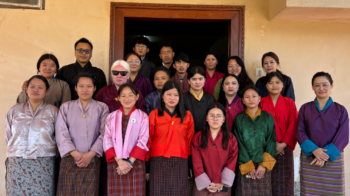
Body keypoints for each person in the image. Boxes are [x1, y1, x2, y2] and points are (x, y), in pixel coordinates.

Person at [55, 72, 109, 196]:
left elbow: (104, 133)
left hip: (92, 158)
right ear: (75, 88)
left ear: (95, 88)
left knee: (89, 191)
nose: (85, 89)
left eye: (89, 86)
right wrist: (74, 152)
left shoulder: (102, 107)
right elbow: (61, 131)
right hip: (70, 157)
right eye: (81, 86)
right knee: (67, 191)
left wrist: (91, 154)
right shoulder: (66, 107)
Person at [296, 72, 348, 196]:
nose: (321, 88)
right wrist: (314, 150)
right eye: (317, 85)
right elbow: (299, 131)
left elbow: (344, 135)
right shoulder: (305, 108)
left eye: (325, 85)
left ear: (331, 85)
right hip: (310, 157)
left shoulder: (340, 110)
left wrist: (325, 155)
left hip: (333, 159)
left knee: (334, 192)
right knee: (310, 192)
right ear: (312, 87)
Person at [5, 75, 58, 196]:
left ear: (47, 91)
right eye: (32, 87)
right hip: (17, 162)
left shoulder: (53, 111)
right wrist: (17, 148)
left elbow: (59, 136)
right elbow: (7, 135)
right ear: (26, 89)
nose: (35, 90)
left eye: (40, 87)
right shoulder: (15, 110)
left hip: (44, 163)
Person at [146, 81, 195, 196]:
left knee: (178, 192)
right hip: (158, 160)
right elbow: (148, 140)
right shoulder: (154, 114)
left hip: (181, 160)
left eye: (176, 95)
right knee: (157, 192)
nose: (172, 98)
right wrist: (147, 166)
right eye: (169, 94)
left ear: (180, 98)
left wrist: (189, 165)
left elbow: (190, 141)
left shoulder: (187, 115)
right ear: (162, 96)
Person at [103, 83, 149, 196]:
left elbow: (143, 140)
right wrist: (120, 162)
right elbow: (107, 139)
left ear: (137, 97)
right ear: (118, 98)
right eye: (123, 95)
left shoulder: (143, 116)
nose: (127, 99)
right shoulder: (111, 116)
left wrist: (128, 163)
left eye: (130, 95)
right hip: (116, 164)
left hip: (135, 163)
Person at [233, 85, 276, 196]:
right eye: (247, 97)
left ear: (259, 98)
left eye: (254, 96)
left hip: (263, 165)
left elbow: (271, 141)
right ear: (242, 100)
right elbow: (238, 143)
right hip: (245, 164)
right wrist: (247, 165)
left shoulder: (268, 117)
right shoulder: (238, 119)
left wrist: (264, 165)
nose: (251, 99)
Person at [260, 72, 298, 195]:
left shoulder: (290, 103)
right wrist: (271, 144)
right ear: (266, 86)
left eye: (277, 82)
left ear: (283, 85)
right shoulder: (261, 103)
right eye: (270, 82)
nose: (274, 85)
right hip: (265, 149)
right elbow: (258, 125)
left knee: (284, 183)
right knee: (266, 181)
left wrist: (284, 143)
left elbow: (294, 124)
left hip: (284, 150)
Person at [191, 102, 238, 195]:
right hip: (202, 184)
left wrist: (222, 183)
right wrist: (206, 183)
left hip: (223, 184)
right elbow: (197, 163)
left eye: (219, 116)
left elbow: (232, 161)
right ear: (206, 118)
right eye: (211, 115)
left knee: (225, 192)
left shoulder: (231, 138)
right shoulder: (198, 137)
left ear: (224, 119)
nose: (215, 119)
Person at [183, 66, 216, 134]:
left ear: (205, 80)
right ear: (188, 81)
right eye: (194, 79)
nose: (197, 82)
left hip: (207, 135)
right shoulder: (183, 98)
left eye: (200, 79)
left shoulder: (211, 99)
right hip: (188, 135)